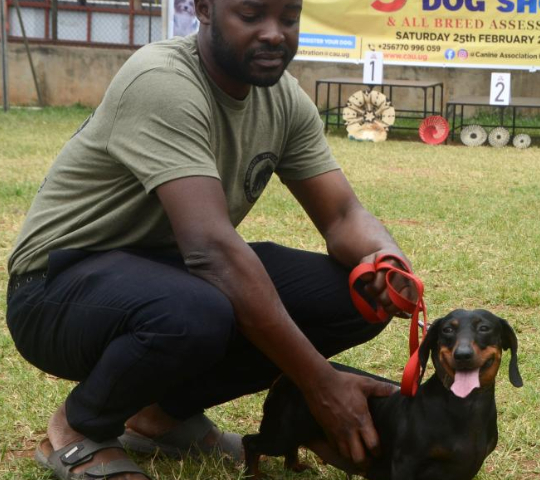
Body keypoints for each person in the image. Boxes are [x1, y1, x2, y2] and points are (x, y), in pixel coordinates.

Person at [4, 0, 416, 477]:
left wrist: (389, 264)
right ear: (203, 10)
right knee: (199, 310)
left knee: (354, 296)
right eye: (251, 15)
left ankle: (159, 418)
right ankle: (77, 428)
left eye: (288, 17)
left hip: (165, 274)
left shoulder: (283, 99)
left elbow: (343, 215)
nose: (273, 34)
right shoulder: (162, 80)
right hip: (55, 288)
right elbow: (211, 250)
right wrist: (321, 384)